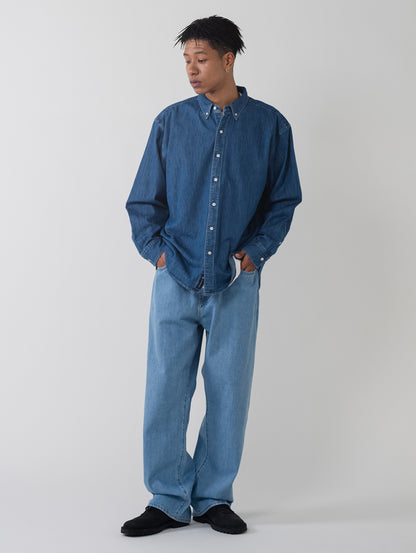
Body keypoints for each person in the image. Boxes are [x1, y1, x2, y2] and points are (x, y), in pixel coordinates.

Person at [121, 14, 302, 537]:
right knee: (165, 390)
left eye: (201, 59)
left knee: (228, 392)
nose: (192, 70)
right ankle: (167, 498)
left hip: (236, 283)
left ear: (228, 59)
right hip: (174, 277)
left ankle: (213, 496)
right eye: (186, 60)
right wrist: (157, 254)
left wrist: (255, 254)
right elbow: (143, 200)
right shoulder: (170, 122)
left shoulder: (270, 126)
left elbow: (283, 200)